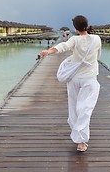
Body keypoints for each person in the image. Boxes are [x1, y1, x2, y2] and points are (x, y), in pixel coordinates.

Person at [40, 15, 102, 152]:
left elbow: (63, 46)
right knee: (85, 109)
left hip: (75, 77)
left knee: (73, 107)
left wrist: (48, 51)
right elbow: (98, 56)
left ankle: (79, 139)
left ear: (75, 28)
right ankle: (81, 141)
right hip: (90, 78)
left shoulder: (74, 40)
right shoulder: (96, 39)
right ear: (87, 24)